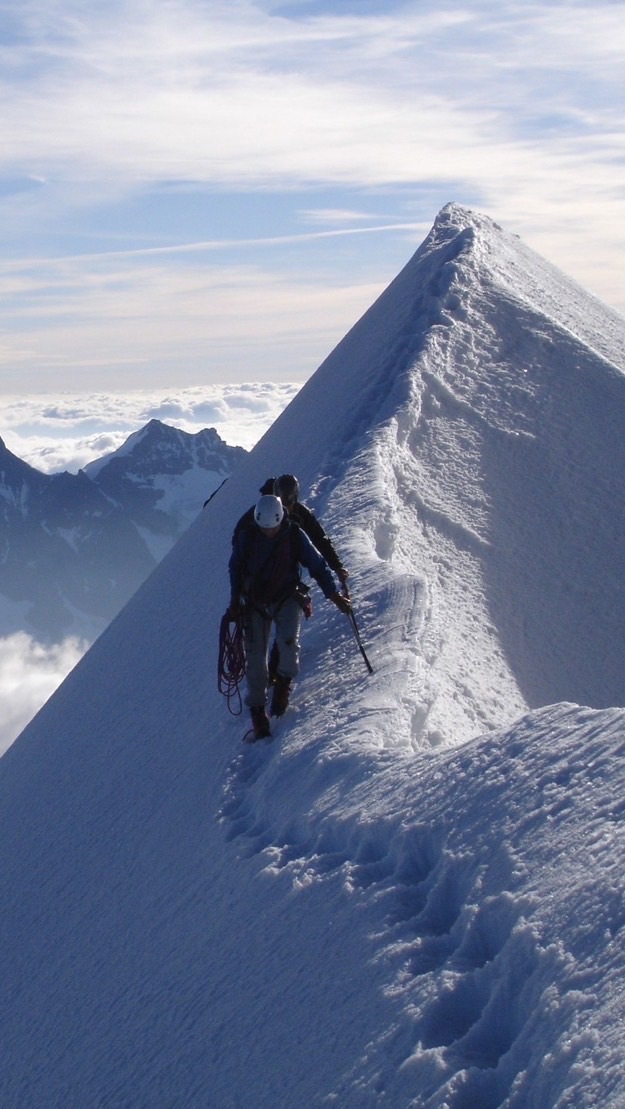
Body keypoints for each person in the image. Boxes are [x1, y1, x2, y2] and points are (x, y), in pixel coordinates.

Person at [229, 494, 351, 739]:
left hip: (285, 596)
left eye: (272, 527)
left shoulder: (295, 535)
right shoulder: (249, 537)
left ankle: (283, 685)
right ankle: (258, 710)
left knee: (288, 643)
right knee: (255, 655)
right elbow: (236, 568)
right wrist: (235, 601)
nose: (269, 532)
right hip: (255, 601)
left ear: (279, 519)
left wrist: (334, 595)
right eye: (265, 528)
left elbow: (317, 565)